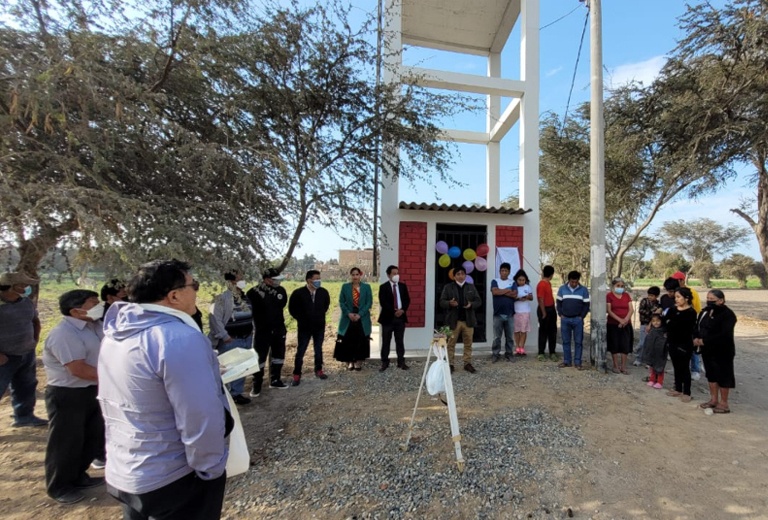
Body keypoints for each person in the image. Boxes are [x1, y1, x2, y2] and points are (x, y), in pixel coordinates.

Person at [98, 260, 231, 520]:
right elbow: (199, 416)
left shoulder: (116, 333)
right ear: (174, 295)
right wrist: (211, 469)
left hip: (126, 470)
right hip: (173, 477)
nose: (197, 292)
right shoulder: (179, 338)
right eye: (194, 285)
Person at [42, 290, 106, 504]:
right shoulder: (64, 334)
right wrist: (115, 380)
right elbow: (78, 369)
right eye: (93, 303)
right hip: (68, 395)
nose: (99, 305)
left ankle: (78, 476)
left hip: (92, 390)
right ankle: (59, 486)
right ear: (76, 310)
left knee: (91, 437)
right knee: (66, 442)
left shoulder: (93, 326)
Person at [0, 271, 47, 428]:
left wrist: (35, 339)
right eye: (23, 285)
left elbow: (35, 321)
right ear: (11, 286)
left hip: (26, 353)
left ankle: (24, 416)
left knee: (26, 386)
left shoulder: (26, 302)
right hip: (4, 357)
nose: (27, 288)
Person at [210, 271, 253, 405]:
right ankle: (226, 395)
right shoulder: (221, 299)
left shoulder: (245, 298)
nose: (242, 281)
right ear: (231, 282)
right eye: (239, 279)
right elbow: (214, 319)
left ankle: (237, 393)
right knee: (229, 367)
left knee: (241, 367)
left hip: (246, 337)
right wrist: (225, 335)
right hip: (231, 339)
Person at [247, 267, 290, 394]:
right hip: (262, 331)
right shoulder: (254, 292)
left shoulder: (281, 290)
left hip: (278, 329)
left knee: (278, 355)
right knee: (259, 358)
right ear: (267, 279)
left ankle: (275, 380)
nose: (278, 282)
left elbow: (281, 305)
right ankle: (257, 385)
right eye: (275, 279)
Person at [694, 289, 737, 414]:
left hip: (723, 350)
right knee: (711, 374)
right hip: (707, 350)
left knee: (724, 375)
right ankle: (713, 399)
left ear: (721, 300)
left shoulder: (728, 315)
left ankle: (724, 403)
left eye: (712, 300)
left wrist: (705, 340)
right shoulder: (705, 312)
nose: (709, 301)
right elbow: (698, 326)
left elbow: (724, 334)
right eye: (708, 299)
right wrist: (696, 338)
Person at [289, 270, 331, 385]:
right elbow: (292, 309)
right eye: (316, 279)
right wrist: (302, 319)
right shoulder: (298, 293)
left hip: (319, 326)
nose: (318, 281)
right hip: (304, 328)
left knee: (318, 349)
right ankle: (297, 374)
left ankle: (319, 370)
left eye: (319, 278)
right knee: (301, 350)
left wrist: (318, 316)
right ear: (309, 280)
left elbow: (326, 306)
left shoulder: (323, 292)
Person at [439, 266, 482, 373]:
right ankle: (450, 364)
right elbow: (441, 302)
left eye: (462, 273)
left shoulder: (471, 287)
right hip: (453, 321)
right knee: (450, 344)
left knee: (468, 343)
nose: (461, 276)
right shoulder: (448, 287)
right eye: (458, 274)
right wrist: (449, 303)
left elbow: (479, 301)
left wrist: (471, 304)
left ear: (465, 275)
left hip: (468, 321)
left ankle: (467, 363)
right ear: (454, 276)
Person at [663, 287, 698, 403]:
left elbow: (685, 328)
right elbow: (666, 322)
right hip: (672, 342)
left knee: (684, 367)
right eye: (676, 297)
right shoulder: (672, 309)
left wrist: (672, 323)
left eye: (679, 297)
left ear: (686, 298)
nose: (676, 299)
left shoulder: (691, 312)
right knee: (676, 366)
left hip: (684, 344)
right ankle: (678, 388)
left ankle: (687, 392)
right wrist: (671, 324)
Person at [334, 267, 372, 371]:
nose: (355, 277)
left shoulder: (366, 287)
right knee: (348, 340)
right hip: (348, 317)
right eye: (353, 274)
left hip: (362, 317)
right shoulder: (345, 287)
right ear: (350, 276)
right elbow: (341, 302)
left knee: (360, 340)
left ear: (360, 275)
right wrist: (348, 313)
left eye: (357, 274)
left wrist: (360, 314)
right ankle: (349, 362)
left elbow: (369, 303)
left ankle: (358, 362)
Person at [671, 271, 704, 381]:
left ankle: (695, 369)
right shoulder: (675, 292)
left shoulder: (692, 292)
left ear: (682, 280)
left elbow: (697, 309)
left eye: (676, 280)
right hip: (677, 326)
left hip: (689, 325)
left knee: (692, 348)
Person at [377, 265, 411, 371]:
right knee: (386, 341)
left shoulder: (402, 286)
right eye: (394, 273)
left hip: (400, 318)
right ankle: (384, 362)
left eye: (397, 273)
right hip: (388, 318)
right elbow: (383, 302)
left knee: (399, 341)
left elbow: (407, 300)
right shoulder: (383, 287)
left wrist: (402, 310)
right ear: (388, 275)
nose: (396, 275)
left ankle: (401, 362)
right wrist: (394, 311)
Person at [556, 271, 590, 370]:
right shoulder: (562, 289)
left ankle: (578, 362)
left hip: (577, 319)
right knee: (566, 341)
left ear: (578, 281)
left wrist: (581, 316)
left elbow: (586, 305)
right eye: (572, 282)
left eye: (576, 282)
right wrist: (560, 314)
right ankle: (567, 361)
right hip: (565, 319)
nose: (574, 284)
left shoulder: (583, 290)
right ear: (569, 280)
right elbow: (558, 302)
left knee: (578, 341)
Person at [490, 262, 516, 362]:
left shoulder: (512, 282)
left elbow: (514, 295)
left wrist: (501, 291)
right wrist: (507, 290)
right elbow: (495, 292)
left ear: (509, 272)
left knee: (509, 337)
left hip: (510, 314)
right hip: (498, 314)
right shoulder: (495, 281)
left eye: (506, 271)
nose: (504, 272)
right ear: (500, 271)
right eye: (502, 270)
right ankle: (495, 354)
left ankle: (509, 354)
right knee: (497, 337)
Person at [606, 277, 633, 374]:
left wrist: (625, 320)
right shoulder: (609, 296)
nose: (620, 288)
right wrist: (619, 320)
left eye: (622, 286)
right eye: (618, 286)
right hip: (613, 325)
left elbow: (631, 309)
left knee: (625, 345)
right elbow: (609, 310)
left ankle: (624, 366)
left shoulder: (626, 295)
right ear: (613, 286)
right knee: (615, 345)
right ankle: (615, 366)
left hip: (626, 324)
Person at [635, 286, 661, 366]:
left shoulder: (658, 303)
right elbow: (641, 310)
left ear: (656, 296)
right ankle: (638, 358)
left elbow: (657, 315)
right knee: (642, 343)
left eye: (652, 296)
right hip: (644, 324)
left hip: (652, 325)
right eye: (649, 295)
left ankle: (648, 361)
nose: (650, 297)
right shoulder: (644, 301)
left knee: (650, 344)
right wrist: (651, 312)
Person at [536, 265, 558, 361]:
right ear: (552, 274)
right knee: (543, 331)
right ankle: (541, 352)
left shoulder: (548, 283)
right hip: (544, 309)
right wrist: (544, 312)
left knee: (552, 332)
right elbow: (541, 299)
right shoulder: (542, 284)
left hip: (551, 309)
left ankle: (552, 352)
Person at [512, 269, 533, 356]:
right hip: (516, 312)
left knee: (524, 331)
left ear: (526, 280)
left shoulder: (528, 287)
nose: (521, 282)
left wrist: (527, 297)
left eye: (523, 280)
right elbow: (511, 298)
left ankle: (522, 348)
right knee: (516, 331)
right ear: (516, 280)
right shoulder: (513, 287)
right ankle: (517, 347)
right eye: (519, 280)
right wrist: (518, 298)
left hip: (525, 312)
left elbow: (532, 298)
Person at [643, 312, 667, 389]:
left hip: (660, 352)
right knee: (652, 366)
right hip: (652, 351)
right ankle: (652, 379)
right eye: (653, 321)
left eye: (658, 321)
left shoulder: (663, 331)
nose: (655, 323)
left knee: (659, 366)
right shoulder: (652, 330)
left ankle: (659, 381)